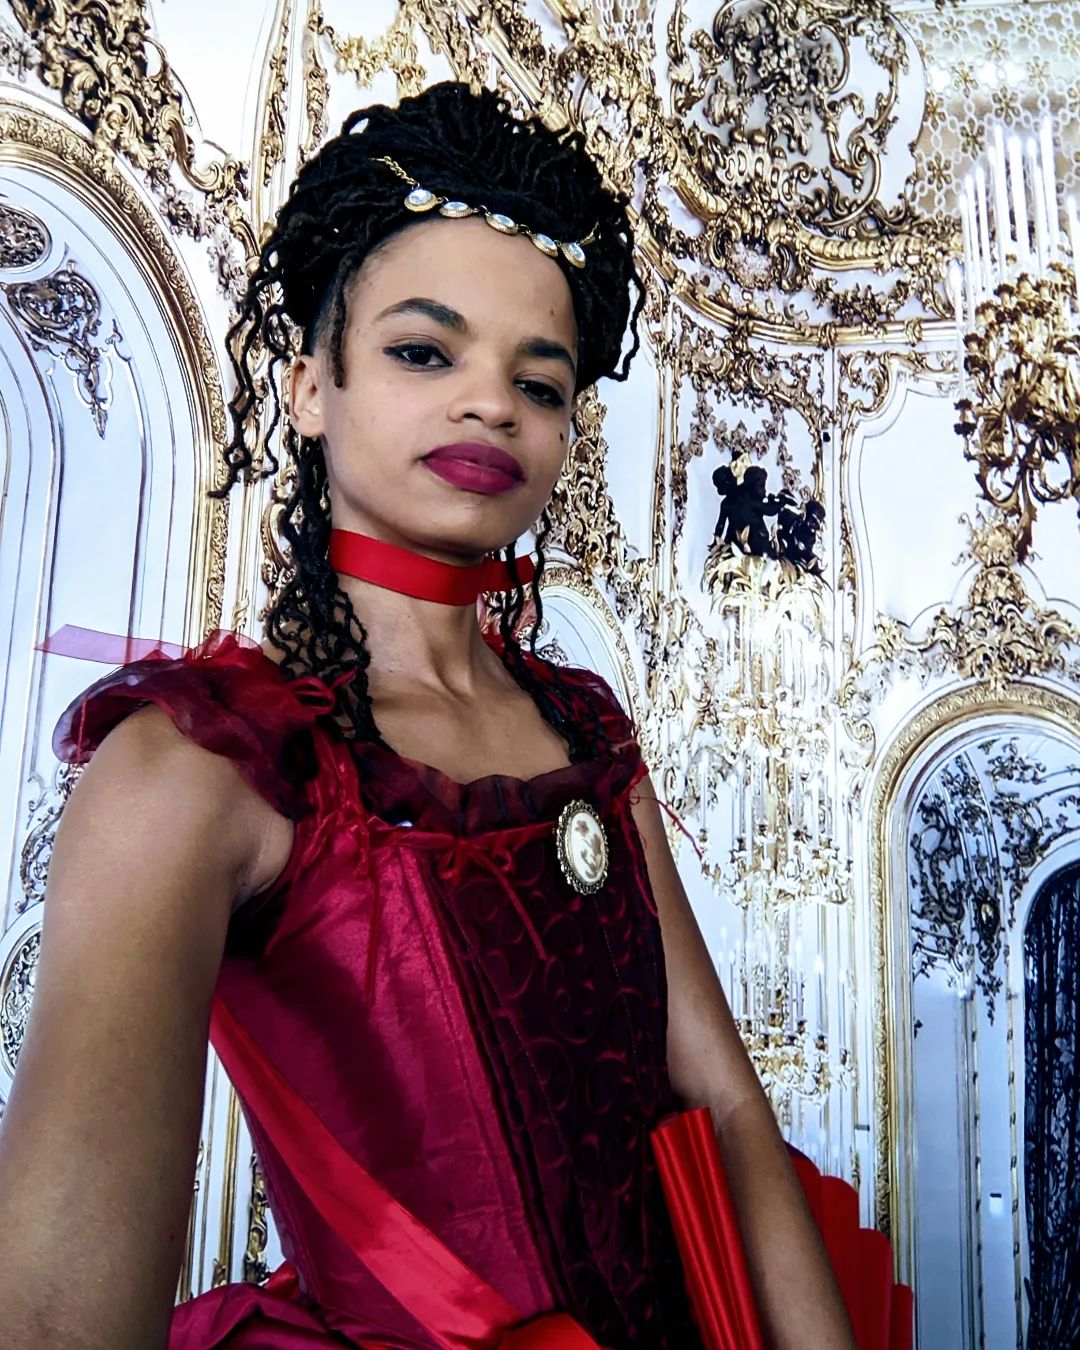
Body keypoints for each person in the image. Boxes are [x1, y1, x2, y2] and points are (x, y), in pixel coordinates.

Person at [0, 83, 854, 1349]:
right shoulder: (196, 765)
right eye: (423, 351)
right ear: (310, 388)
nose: (491, 403)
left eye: (540, 381)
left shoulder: (588, 731)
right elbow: (55, 1317)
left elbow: (726, 1102)